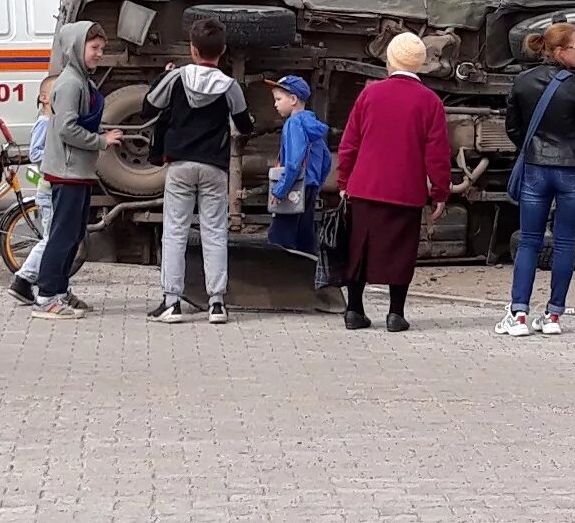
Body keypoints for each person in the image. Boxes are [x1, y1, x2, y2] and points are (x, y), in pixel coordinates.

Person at [141, 18, 256, 326]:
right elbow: (245, 125)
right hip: (215, 168)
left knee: (175, 231)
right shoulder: (229, 85)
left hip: (179, 165)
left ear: (192, 49)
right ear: (223, 51)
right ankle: (216, 304)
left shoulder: (176, 78)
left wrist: (162, 79)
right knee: (215, 232)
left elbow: (148, 108)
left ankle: (171, 302)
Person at [337, 33, 452, 333]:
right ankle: (395, 314)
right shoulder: (430, 101)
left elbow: (350, 142)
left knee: (358, 249)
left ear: (390, 61)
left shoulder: (370, 94)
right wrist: (440, 191)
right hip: (406, 190)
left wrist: (344, 179)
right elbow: (437, 153)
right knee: (401, 251)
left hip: (364, 187)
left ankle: (354, 310)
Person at [498, 22, 575, 338]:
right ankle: (554, 316)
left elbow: (513, 128)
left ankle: (518, 315)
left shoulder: (523, 81)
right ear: (559, 51)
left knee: (529, 240)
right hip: (573, 172)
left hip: (535, 170)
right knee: (565, 242)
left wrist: (532, 149)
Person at [32, 23, 124, 320]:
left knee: (72, 235)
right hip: (68, 172)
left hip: (78, 171)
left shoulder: (82, 81)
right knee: (62, 235)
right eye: (94, 48)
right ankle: (46, 296)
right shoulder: (72, 83)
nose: (99, 54)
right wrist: (101, 141)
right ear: (75, 48)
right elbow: (66, 128)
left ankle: (59, 291)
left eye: (101, 48)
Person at [7, 76, 75, 307]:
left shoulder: (54, 121)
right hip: (49, 188)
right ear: (44, 97)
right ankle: (24, 279)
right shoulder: (45, 123)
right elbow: (35, 154)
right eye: (55, 93)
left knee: (57, 238)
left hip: (54, 188)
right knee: (52, 239)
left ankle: (49, 286)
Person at [266, 75, 332, 259]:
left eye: (279, 99)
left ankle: (280, 282)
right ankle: (307, 278)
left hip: (292, 187)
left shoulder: (293, 124)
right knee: (305, 237)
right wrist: (316, 185)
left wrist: (280, 190)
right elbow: (326, 160)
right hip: (309, 187)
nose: (275, 105)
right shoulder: (312, 124)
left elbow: (294, 163)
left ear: (293, 100)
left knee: (280, 238)